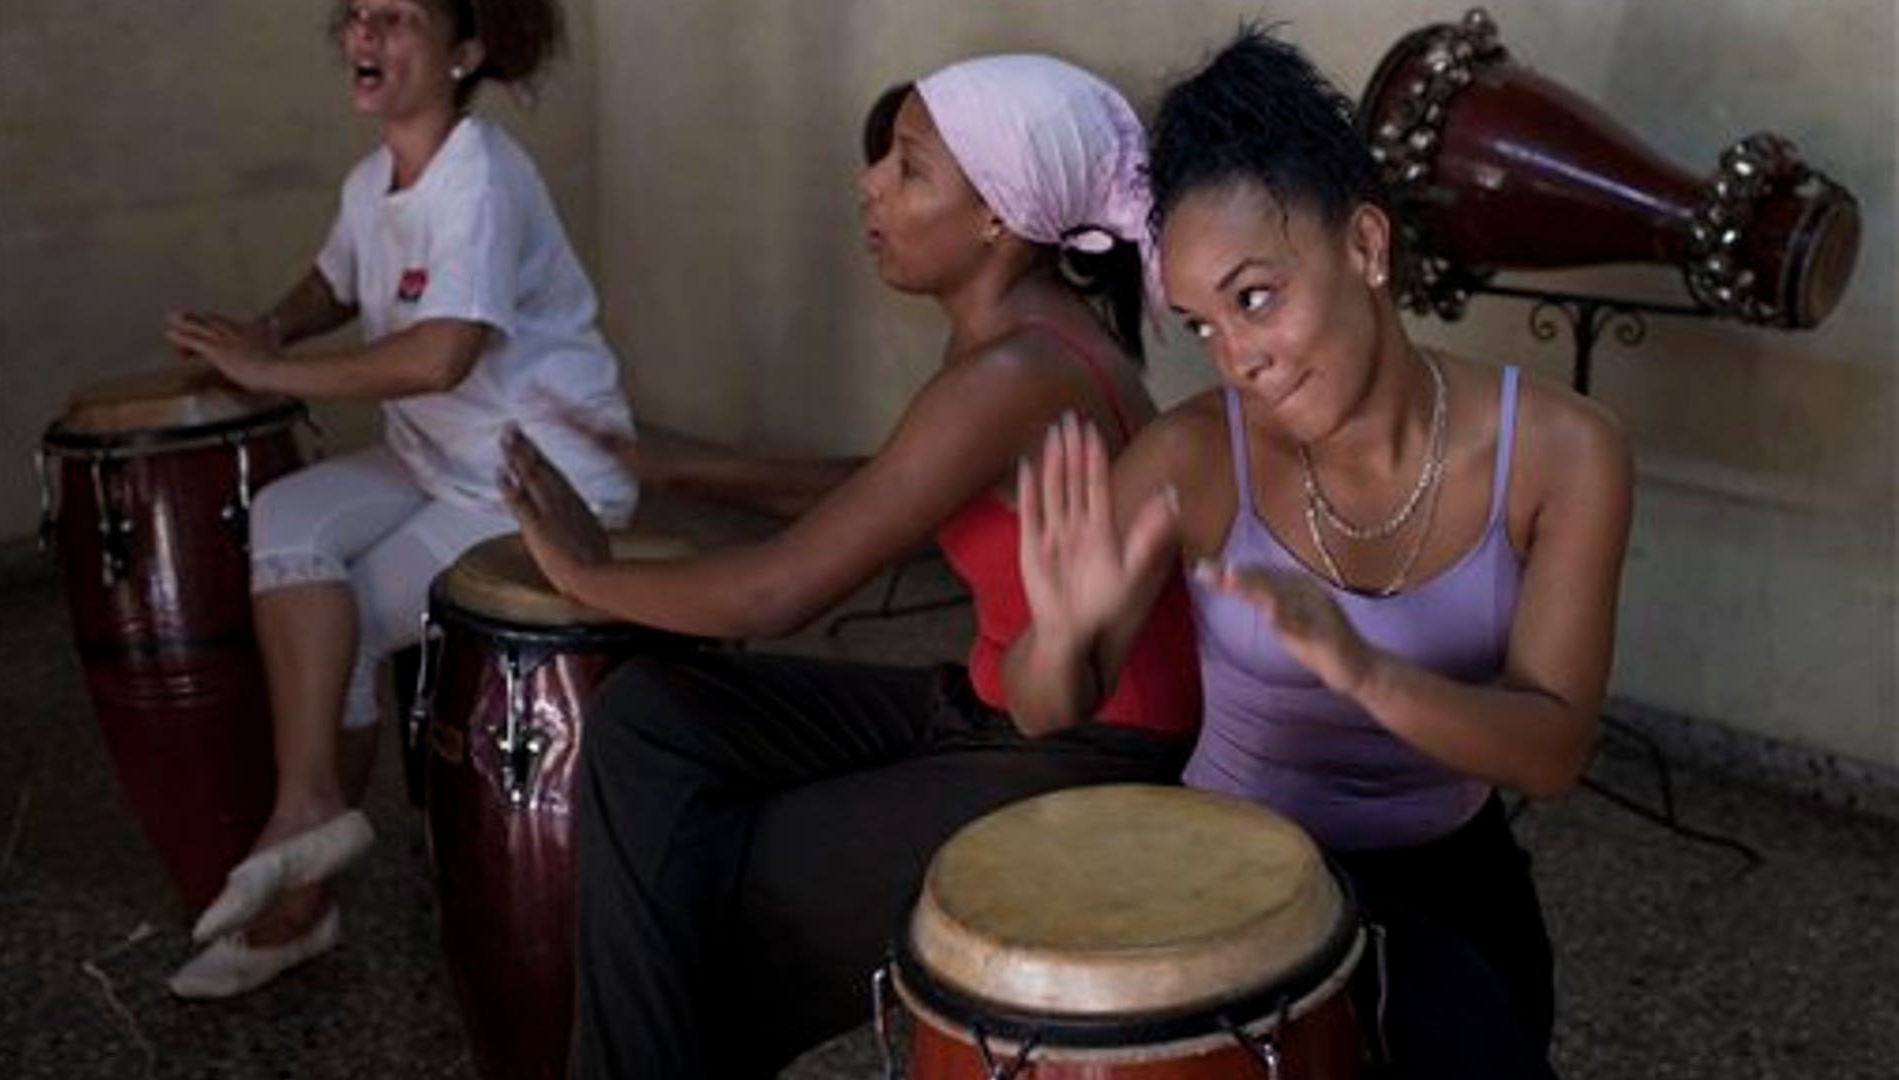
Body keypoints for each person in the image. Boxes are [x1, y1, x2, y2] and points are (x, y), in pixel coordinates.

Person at [500, 56, 1202, 1078]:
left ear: (997, 218)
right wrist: (671, 466)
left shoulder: (1014, 373)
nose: (869, 185)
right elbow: (893, 485)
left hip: (1080, 745)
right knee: (652, 719)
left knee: (716, 873)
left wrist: (580, 577)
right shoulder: (1025, 337)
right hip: (997, 704)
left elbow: (779, 592)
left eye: (909, 170)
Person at [1004, 28, 1633, 1079]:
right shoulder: (1193, 455)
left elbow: (1553, 751)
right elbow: (1038, 706)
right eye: (1202, 325)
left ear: (1367, 248)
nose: (1240, 357)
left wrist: (1362, 668)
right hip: (1228, 878)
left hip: (1449, 877)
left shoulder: (1563, 453)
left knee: (1465, 1033)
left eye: (1256, 298)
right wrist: (1062, 636)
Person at [160, 0, 636, 998]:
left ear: (466, 50)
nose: (366, 34)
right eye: (357, 15)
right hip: (438, 459)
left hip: (537, 476)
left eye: (400, 17)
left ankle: (299, 898)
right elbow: (337, 280)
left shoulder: (483, 173)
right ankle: (307, 816)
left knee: (349, 615)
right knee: (288, 522)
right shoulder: (372, 180)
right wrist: (265, 331)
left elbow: (441, 353)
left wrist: (274, 374)